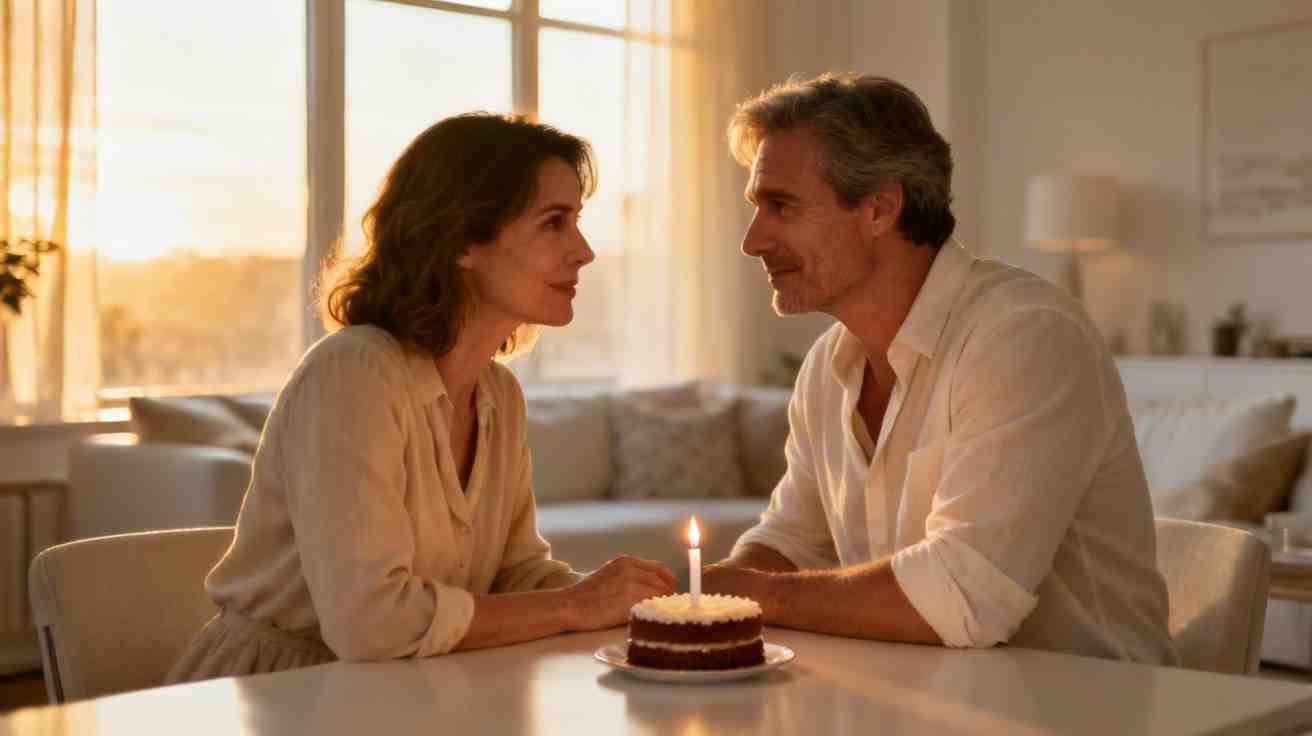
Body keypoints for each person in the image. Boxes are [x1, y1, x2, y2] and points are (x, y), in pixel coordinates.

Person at [167, 113, 676, 683]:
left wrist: (619, 601)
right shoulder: (353, 372)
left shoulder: (499, 394)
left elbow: (516, 573)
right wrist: (575, 607)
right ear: (462, 240)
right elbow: (370, 623)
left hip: (415, 684)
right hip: (278, 692)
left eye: (576, 221)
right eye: (554, 223)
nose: (583, 251)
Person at [703, 73, 1178, 665]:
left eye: (781, 206)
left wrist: (757, 595)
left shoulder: (1024, 335)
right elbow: (793, 541)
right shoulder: (827, 365)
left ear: (880, 207)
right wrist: (705, 601)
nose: (752, 241)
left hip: (1086, 710)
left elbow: (961, 594)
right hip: (929, 699)